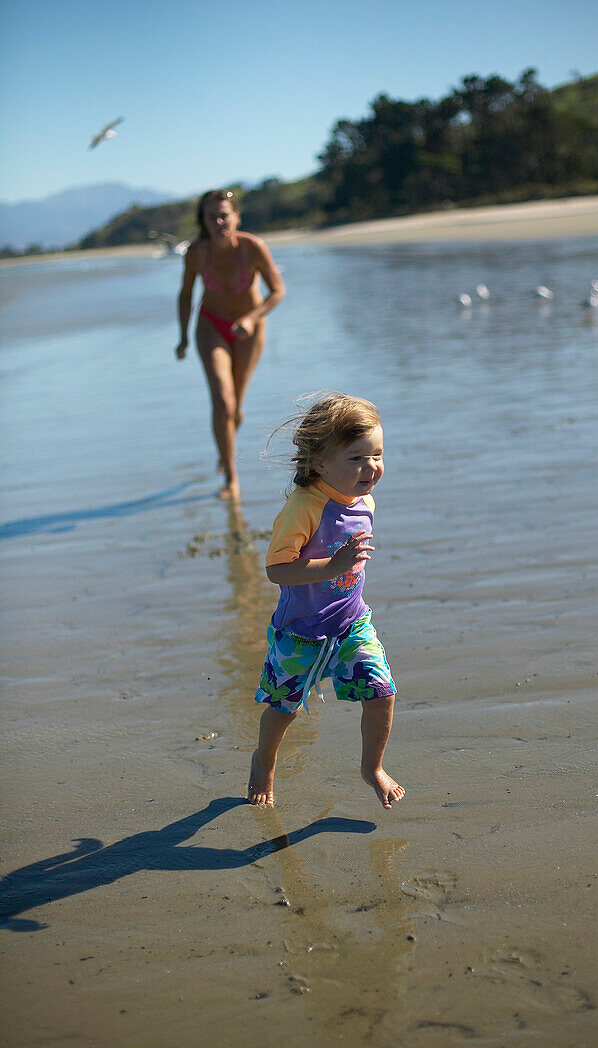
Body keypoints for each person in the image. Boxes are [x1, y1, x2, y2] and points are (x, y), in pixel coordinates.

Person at [249, 393, 405, 810]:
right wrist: (332, 567)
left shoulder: (363, 500)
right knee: (285, 710)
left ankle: (372, 768)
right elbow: (277, 570)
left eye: (377, 454)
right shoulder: (304, 508)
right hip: (299, 633)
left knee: (382, 692)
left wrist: (341, 571)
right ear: (319, 462)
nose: (371, 467)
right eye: (356, 458)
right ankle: (264, 761)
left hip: (351, 623)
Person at [176, 189, 285, 500]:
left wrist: (252, 318)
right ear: (204, 221)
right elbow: (185, 295)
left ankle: (227, 444)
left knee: (235, 407)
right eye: (212, 216)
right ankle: (231, 477)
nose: (219, 221)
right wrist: (183, 337)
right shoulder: (196, 253)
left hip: (249, 329)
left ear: (237, 216)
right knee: (223, 402)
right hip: (211, 325)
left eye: (224, 214)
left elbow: (277, 291)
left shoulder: (252, 248)